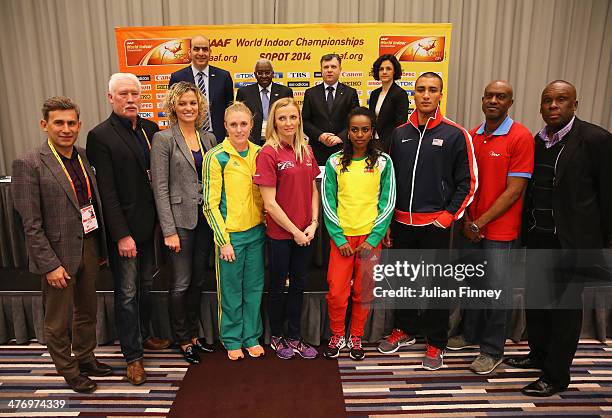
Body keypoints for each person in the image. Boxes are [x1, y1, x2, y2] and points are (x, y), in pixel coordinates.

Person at [506, 80, 612, 396]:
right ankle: (538, 355)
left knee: (564, 311)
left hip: (573, 243)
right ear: (540, 107)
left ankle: (555, 376)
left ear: (574, 105)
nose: (553, 105)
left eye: (561, 100)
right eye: (548, 100)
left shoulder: (596, 140)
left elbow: (608, 196)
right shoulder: (536, 142)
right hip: (539, 239)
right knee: (538, 304)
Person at [377, 72, 477, 370]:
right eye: (420, 89)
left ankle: (436, 342)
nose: (425, 95)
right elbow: (389, 180)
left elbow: (467, 182)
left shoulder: (455, 134)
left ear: (440, 95)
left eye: (432, 90)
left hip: (436, 225)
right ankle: (404, 329)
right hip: (401, 223)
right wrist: (388, 222)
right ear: (414, 94)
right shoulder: (399, 133)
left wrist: (449, 216)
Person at [12, 97, 112, 393]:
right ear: (45, 125)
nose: (66, 129)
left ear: (79, 125)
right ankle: (68, 370)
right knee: (57, 320)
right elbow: (30, 224)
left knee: (87, 310)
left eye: (71, 123)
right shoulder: (29, 163)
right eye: (59, 123)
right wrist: (50, 265)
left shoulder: (82, 156)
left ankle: (85, 357)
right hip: (57, 255)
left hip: (89, 245)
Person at [87, 73, 171, 386]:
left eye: (135, 94)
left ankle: (145, 335)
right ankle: (133, 357)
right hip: (125, 232)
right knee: (127, 294)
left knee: (146, 287)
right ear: (111, 98)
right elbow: (105, 192)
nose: (131, 99)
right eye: (123, 94)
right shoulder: (100, 136)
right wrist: (121, 235)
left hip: (150, 228)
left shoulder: (150, 129)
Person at [447, 80, 534, 375]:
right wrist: (468, 221)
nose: (494, 100)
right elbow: (467, 184)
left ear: (510, 102)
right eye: (490, 96)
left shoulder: (520, 137)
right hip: (471, 227)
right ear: (482, 100)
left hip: (499, 231)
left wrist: (479, 223)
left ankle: (492, 349)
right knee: (472, 285)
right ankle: (470, 334)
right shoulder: (473, 136)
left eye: (502, 97)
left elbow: (514, 191)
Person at [322, 107, 396, 361]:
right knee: (336, 291)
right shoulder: (334, 162)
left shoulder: (383, 162)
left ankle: (356, 336)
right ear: (348, 131)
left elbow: (387, 203)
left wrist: (373, 239)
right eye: (354, 129)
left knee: (364, 291)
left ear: (372, 131)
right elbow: (328, 202)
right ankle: (337, 335)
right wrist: (339, 238)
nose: (360, 134)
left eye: (365, 129)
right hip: (341, 240)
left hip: (369, 241)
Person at [150, 82, 217, 364]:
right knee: (180, 283)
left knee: (199, 280)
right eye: (183, 103)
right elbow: (160, 188)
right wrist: (168, 231)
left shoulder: (209, 138)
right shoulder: (163, 139)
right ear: (173, 107)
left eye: (193, 103)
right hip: (179, 222)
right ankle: (182, 338)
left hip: (206, 221)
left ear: (200, 106)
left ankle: (193, 334)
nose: (189, 108)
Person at [254, 98, 320, 360]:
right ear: (274, 122)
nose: (288, 123)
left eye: (293, 117)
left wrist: (314, 224)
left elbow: (314, 189)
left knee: (299, 286)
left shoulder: (306, 149)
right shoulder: (268, 153)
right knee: (279, 286)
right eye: (282, 118)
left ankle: (295, 336)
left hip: (306, 232)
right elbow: (269, 203)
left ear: (299, 120)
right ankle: (277, 336)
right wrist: (294, 231)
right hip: (282, 235)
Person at [202, 102, 266, 361]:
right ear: (225, 126)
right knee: (230, 291)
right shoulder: (215, 157)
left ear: (251, 125)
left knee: (253, 289)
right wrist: (223, 241)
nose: (239, 129)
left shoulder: (261, 153)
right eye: (233, 124)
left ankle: (251, 336)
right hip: (231, 238)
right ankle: (231, 338)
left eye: (243, 124)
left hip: (257, 234)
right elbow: (209, 204)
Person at [169, 35, 234, 142]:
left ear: (210, 52)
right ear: (190, 52)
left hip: (219, 138)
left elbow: (230, 109)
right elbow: (172, 111)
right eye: (196, 49)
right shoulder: (177, 78)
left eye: (205, 49)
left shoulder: (224, 77)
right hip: (187, 137)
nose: (201, 53)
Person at [302, 53, 360, 165]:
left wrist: (340, 137)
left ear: (340, 69)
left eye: (333, 67)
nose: (329, 70)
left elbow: (355, 121)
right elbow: (305, 121)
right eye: (326, 67)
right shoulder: (310, 93)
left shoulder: (350, 93)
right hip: (318, 150)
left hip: (343, 148)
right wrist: (320, 136)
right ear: (321, 70)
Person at [236, 59, 293, 145]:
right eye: (260, 73)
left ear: (273, 73)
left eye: (267, 72)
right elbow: (238, 117)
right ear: (255, 74)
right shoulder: (244, 92)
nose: (264, 76)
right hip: (251, 141)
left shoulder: (285, 92)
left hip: (278, 139)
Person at [368, 54, 409, 152]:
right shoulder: (374, 94)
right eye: (381, 69)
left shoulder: (400, 94)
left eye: (388, 68)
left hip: (391, 144)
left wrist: (389, 143)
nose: (384, 72)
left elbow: (401, 124)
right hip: (372, 142)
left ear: (394, 71)